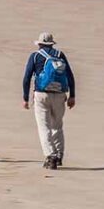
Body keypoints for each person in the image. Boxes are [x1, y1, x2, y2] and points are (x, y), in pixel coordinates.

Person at [22, 32, 76, 170]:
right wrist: (72, 96)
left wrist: (25, 98)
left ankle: (50, 156)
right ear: (52, 43)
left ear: (39, 44)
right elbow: (70, 76)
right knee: (57, 126)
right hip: (60, 94)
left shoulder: (35, 56)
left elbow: (27, 77)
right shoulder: (60, 55)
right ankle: (59, 155)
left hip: (41, 95)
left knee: (43, 126)